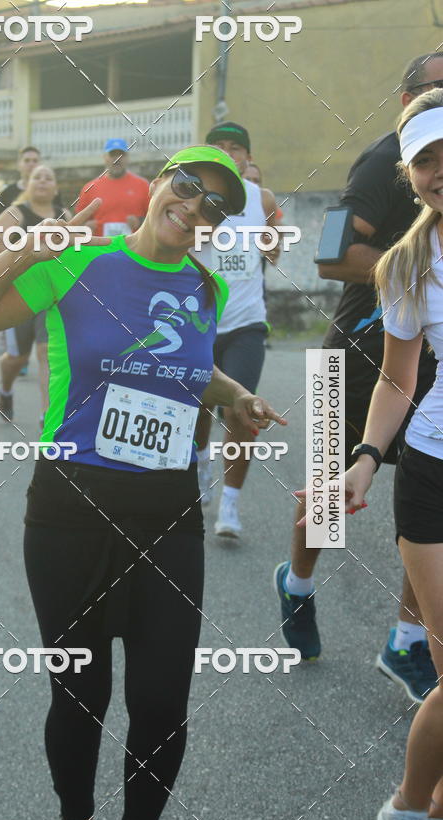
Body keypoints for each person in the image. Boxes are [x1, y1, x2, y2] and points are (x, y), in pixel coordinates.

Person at [0, 145, 286, 820]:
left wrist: (230, 397)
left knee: (163, 697)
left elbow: (187, 366)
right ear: (159, 184)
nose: (195, 208)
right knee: (80, 693)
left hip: (167, 514)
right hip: (70, 511)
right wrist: (22, 251)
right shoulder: (80, 263)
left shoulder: (204, 285)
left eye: (215, 205)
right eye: (187, 187)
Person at [273, 53, 443, 703]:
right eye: (436, 88)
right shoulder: (383, 162)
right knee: (331, 492)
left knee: (430, 499)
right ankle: (299, 581)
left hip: (427, 355)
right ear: (405, 100)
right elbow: (331, 253)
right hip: (357, 350)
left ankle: (406, 640)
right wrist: (415, 275)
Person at [340, 89, 443, 820]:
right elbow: (400, 377)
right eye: (427, 159)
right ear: (409, 174)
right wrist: (369, 456)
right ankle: (407, 811)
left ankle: (432, 806)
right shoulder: (405, 263)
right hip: (434, 474)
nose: (442, 172)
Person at [193, 121, 279, 538]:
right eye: (219, 147)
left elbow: (275, 247)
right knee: (196, 412)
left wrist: (272, 241)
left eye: (236, 148)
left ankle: (230, 504)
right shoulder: (195, 197)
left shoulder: (262, 198)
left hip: (246, 323)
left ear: (248, 156)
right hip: (200, 321)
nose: (228, 153)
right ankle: (200, 464)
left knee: (241, 412)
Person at [0, 164, 71, 427]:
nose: (43, 181)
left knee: (46, 351)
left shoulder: (65, 216)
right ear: (27, 185)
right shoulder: (14, 214)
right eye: (37, 177)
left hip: (52, 296)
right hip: (20, 294)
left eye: (49, 177)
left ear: (56, 187)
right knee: (17, 359)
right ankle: (5, 390)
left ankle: (47, 416)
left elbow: (74, 255)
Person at [75, 138, 149, 237]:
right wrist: (86, 227)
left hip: (133, 248)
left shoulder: (143, 185)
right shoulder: (89, 188)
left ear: (127, 158)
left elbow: (154, 217)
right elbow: (77, 223)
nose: (117, 159)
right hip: (101, 249)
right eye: (112, 155)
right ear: (105, 157)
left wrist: (139, 221)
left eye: (121, 154)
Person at [0, 145, 41, 215]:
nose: (31, 164)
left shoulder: (50, 192)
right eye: (27, 160)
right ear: (19, 165)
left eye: (35, 161)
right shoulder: (7, 192)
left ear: (40, 164)